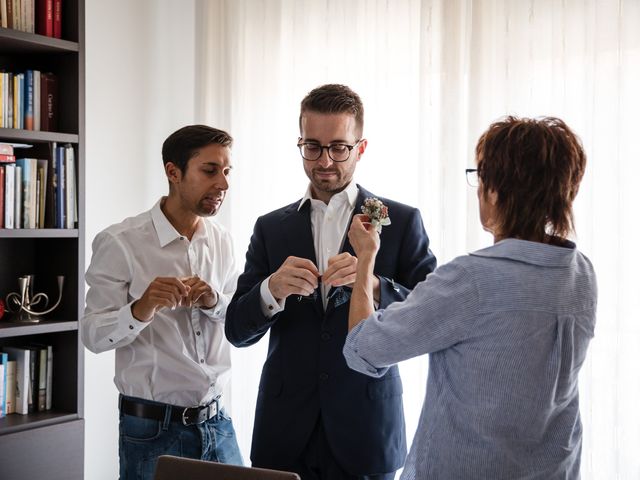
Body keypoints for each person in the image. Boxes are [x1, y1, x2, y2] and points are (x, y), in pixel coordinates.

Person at [344, 116, 597, 479]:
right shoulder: (582, 274)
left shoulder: (472, 279)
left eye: (481, 177)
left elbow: (363, 350)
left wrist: (366, 259)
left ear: (495, 190)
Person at [225, 84, 437, 479]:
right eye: (313, 146)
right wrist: (272, 290)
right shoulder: (270, 228)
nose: (325, 160)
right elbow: (237, 331)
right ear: (300, 142)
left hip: (366, 428)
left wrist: (371, 284)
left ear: (361, 147)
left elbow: (432, 314)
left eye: (339, 147)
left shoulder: (403, 222)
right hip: (283, 435)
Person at [82, 125, 243, 479]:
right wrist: (140, 309)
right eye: (210, 170)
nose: (224, 184)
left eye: (227, 171)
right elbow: (92, 336)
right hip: (153, 431)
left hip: (218, 423)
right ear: (173, 172)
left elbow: (236, 320)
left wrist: (215, 300)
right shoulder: (120, 242)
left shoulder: (223, 242)